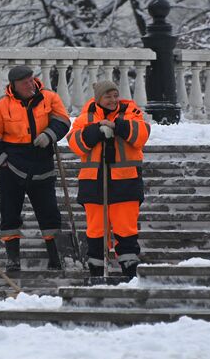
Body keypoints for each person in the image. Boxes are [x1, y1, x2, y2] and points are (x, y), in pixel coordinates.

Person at [0, 65, 71, 271]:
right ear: (14, 85)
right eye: (25, 83)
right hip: (12, 165)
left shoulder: (49, 97)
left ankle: (55, 257)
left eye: (32, 80)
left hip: (42, 160)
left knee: (49, 211)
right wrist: (2, 162)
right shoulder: (0, 105)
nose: (30, 84)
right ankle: (13, 259)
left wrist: (49, 135)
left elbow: (63, 120)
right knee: (10, 213)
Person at [67, 81, 151, 278]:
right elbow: (75, 142)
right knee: (96, 230)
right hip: (93, 184)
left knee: (126, 229)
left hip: (126, 182)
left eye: (115, 95)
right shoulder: (86, 117)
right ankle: (96, 272)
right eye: (108, 96)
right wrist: (96, 131)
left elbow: (142, 134)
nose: (113, 100)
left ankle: (129, 272)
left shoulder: (131, 111)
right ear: (98, 99)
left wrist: (117, 126)